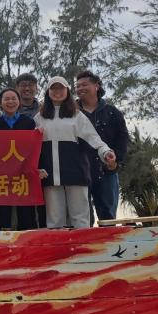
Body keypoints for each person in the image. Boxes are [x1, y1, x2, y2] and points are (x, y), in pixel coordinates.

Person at [35, 76, 115, 229]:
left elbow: (93, 138)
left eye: (61, 88)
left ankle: (82, 245)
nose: (57, 91)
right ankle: (58, 245)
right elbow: (31, 145)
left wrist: (106, 152)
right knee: (55, 220)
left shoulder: (77, 115)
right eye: (53, 88)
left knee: (80, 219)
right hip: (50, 176)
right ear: (48, 92)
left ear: (67, 91)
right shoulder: (39, 118)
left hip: (76, 174)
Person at [75, 69, 129, 222]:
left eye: (84, 84)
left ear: (96, 86)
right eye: (77, 86)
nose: (80, 88)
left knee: (108, 218)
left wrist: (115, 161)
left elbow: (122, 139)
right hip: (79, 173)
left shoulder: (112, 112)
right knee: (83, 219)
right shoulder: (71, 112)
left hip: (106, 171)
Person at [0, 87, 38, 230]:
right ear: (0, 103)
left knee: (26, 213)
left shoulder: (28, 122)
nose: (10, 102)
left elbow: (34, 148)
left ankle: (27, 240)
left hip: (23, 174)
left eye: (14, 99)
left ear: (19, 102)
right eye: (6, 99)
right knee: (1, 213)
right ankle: (2, 241)